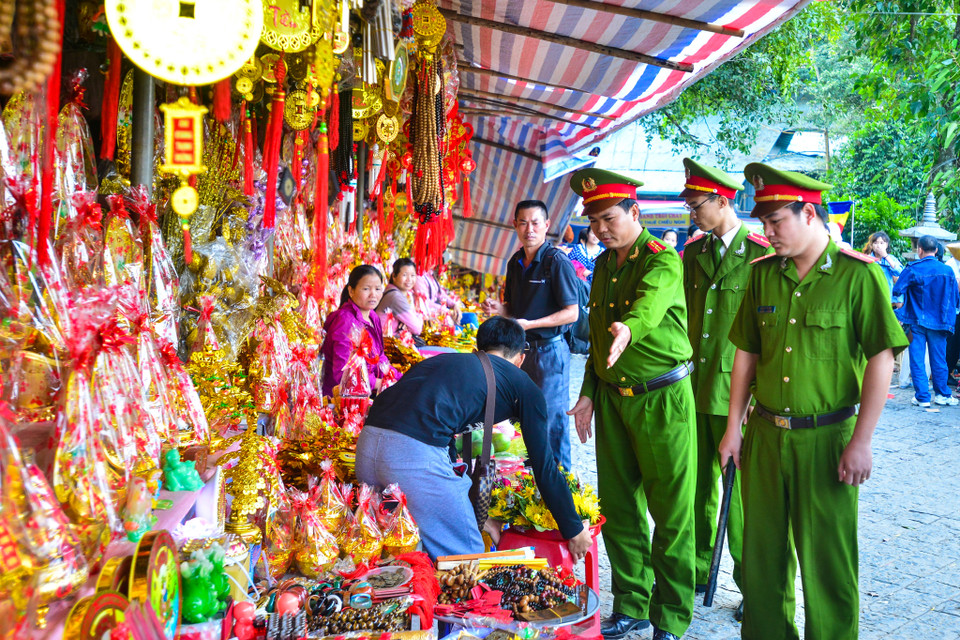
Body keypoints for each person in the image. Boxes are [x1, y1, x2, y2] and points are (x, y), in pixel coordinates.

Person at [717, 163, 908, 640]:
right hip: (764, 434)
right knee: (762, 558)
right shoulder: (762, 274)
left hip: (829, 439)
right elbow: (745, 354)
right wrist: (733, 427)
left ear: (809, 213)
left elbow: (882, 358)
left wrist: (862, 440)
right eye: (763, 223)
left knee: (828, 561)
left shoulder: (858, 277)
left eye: (776, 221)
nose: (768, 232)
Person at [566, 169, 696, 640]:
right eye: (593, 221)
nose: (600, 229)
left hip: (662, 399)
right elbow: (599, 339)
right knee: (619, 508)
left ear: (634, 213)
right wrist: (587, 393)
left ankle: (672, 616)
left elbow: (648, 305)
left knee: (672, 512)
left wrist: (630, 327)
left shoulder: (663, 260)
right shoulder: (602, 264)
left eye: (609, 218)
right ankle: (633, 603)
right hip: (613, 400)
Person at [357, 317, 594, 560]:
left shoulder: (446, 362)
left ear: (476, 350)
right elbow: (544, 467)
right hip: (411, 460)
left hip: (365, 452)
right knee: (466, 555)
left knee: (390, 547)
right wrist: (574, 529)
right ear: (520, 359)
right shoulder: (523, 385)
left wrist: (475, 515)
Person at [678, 158, 771, 620]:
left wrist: (758, 394)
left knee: (741, 497)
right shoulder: (692, 255)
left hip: (739, 395)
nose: (692, 213)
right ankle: (698, 569)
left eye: (698, 205)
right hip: (693, 389)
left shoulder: (759, 255)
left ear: (722, 200)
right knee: (696, 488)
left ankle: (751, 585)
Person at [481, 200, 579, 471]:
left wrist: (530, 324)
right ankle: (534, 479)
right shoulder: (515, 262)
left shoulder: (556, 261)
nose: (529, 229)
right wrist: (499, 309)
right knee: (526, 416)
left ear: (547, 226)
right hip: (520, 352)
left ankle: (562, 483)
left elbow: (572, 313)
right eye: (523, 222)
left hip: (550, 352)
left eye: (535, 222)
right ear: (515, 225)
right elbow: (512, 308)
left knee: (551, 420)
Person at [893, 235, 960, 407]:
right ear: (937, 250)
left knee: (917, 358)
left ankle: (922, 397)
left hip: (916, 321)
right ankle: (942, 395)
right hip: (940, 321)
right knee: (939, 359)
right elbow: (955, 298)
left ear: (919, 250)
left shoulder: (913, 268)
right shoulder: (947, 271)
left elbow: (898, 289)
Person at [320, 265, 395, 397]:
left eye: (378, 289)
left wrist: (398, 377)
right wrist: (379, 383)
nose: (373, 294)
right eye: (366, 289)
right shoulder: (345, 321)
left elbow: (380, 357)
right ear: (351, 291)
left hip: (366, 391)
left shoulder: (373, 316)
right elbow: (344, 373)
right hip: (343, 398)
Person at [377, 258, 425, 342]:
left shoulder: (401, 294)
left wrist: (409, 323)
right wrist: (419, 317)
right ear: (394, 276)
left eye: (412, 275)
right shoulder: (395, 297)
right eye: (405, 275)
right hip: (386, 344)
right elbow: (417, 328)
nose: (409, 279)